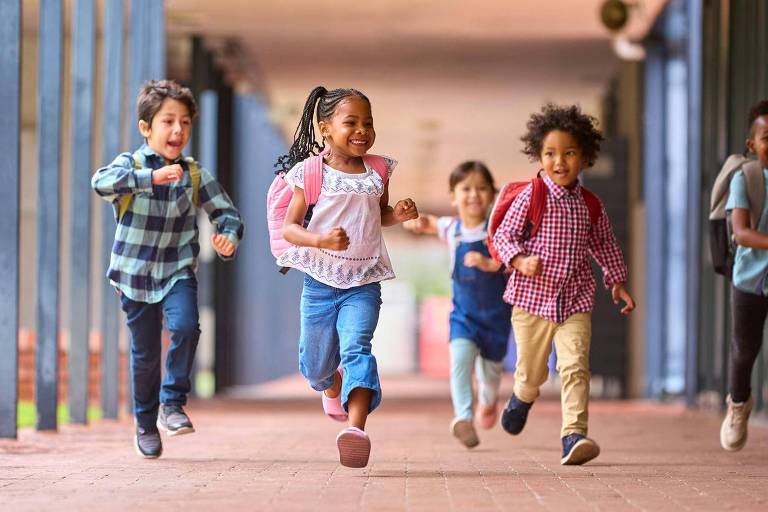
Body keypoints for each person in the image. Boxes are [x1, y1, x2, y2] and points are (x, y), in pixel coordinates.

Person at [92, 79, 244, 459]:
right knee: (144, 356)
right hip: (134, 275)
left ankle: (172, 404)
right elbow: (100, 183)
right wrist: (150, 179)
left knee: (186, 326)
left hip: (177, 270)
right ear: (146, 127)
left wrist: (228, 238)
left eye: (185, 123)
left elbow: (227, 215)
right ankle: (145, 424)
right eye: (168, 121)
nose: (178, 130)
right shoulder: (131, 165)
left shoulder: (194, 174)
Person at [276, 86, 418, 468]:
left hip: (364, 282)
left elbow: (379, 214)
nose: (362, 130)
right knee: (315, 365)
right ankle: (330, 385)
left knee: (358, 348)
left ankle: (356, 429)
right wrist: (320, 238)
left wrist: (398, 215)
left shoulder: (379, 169)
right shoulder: (310, 173)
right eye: (350, 122)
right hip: (320, 282)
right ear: (325, 128)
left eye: (368, 123)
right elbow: (291, 228)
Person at [494, 103, 635, 465]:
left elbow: (604, 243)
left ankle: (574, 434)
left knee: (575, 366)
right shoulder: (531, 196)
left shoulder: (591, 205)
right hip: (531, 301)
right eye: (550, 154)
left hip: (575, 299)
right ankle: (522, 396)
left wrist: (616, 280)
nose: (560, 162)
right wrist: (521, 260)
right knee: (533, 372)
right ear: (539, 157)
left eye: (569, 153)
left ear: (585, 158)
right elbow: (506, 235)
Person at [404, 161, 511, 448]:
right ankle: (463, 417)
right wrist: (416, 221)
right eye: (466, 189)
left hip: (496, 318)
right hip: (464, 316)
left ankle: (488, 402)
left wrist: (491, 264)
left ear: (491, 194)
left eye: (481, 189)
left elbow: (512, 261)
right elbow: (429, 223)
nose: (473, 195)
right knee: (460, 362)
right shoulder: (452, 228)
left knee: (490, 376)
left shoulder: (498, 231)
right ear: (453, 196)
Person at [721, 100, 768, 452]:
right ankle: (738, 405)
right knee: (744, 351)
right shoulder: (747, 178)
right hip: (750, 279)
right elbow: (741, 232)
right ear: (752, 144)